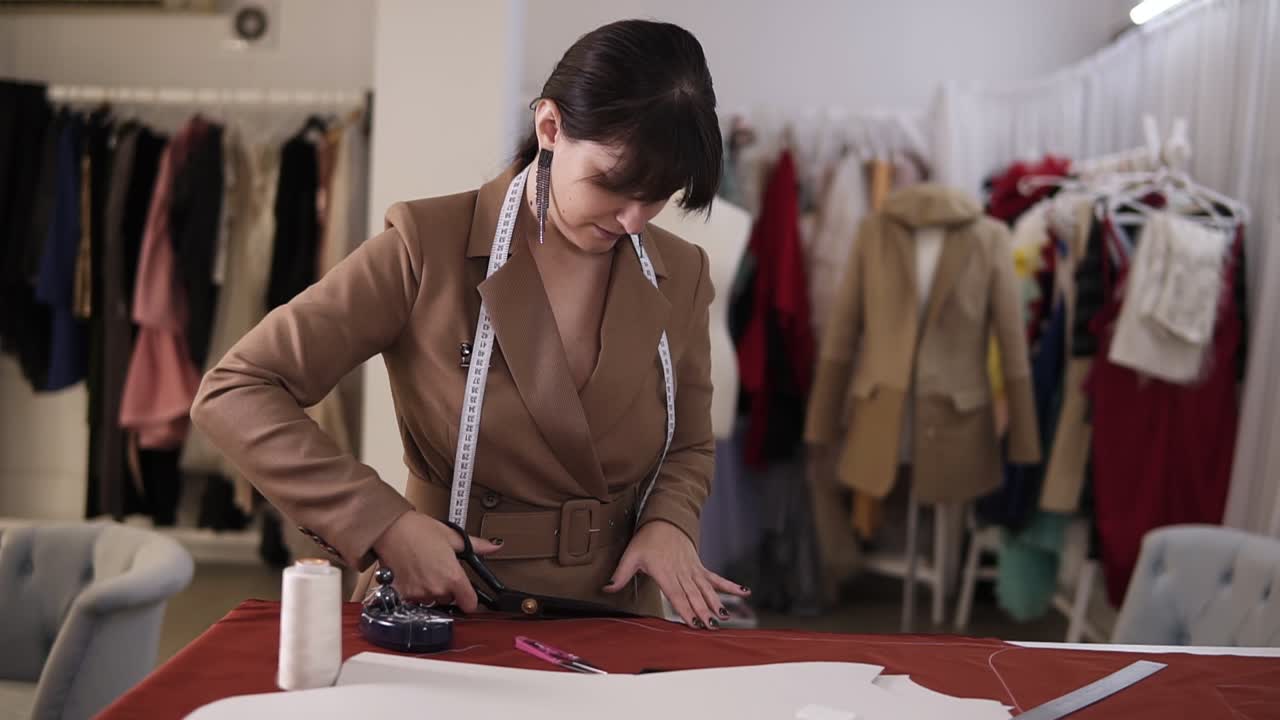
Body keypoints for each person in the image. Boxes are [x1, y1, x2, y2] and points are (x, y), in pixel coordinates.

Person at [191, 19, 749, 630]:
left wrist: (670, 521)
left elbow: (687, 442)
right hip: (449, 601)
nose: (634, 220)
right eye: (614, 186)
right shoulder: (426, 248)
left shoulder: (682, 272)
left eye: (659, 196)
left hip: (616, 613)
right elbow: (237, 389)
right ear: (550, 128)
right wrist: (383, 522)